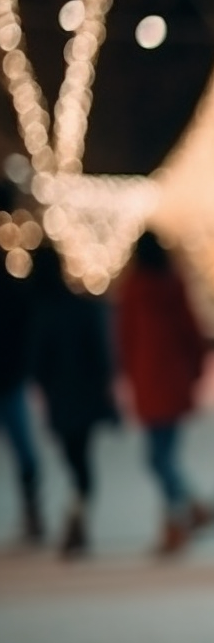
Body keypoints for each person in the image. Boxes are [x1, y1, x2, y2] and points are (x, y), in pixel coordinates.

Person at [116, 230, 212, 556]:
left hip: (150, 383)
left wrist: (127, 373)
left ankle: (178, 518)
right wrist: (197, 366)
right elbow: (191, 330)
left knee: (159, 457)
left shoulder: (133, 289)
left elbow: (125, 339)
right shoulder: (171, 285)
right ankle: (188, 508)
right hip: (172, 381)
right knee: (162, 456)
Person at [28, 244, 119, 559]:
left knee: (75, 461)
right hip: (86, 397)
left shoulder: (43, 312)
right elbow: (103, 355)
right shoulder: (82, 307)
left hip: (63, 400)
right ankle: (78, 516)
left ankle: (76, 518)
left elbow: (38, 363)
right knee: (82, 462)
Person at [0, 182, 44, 544]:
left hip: (11, 381)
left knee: (26, 453)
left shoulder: (14, 292)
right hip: (12, 380)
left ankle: (33, 512)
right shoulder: (14, 290)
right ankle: (33, 512)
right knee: (25, 452)